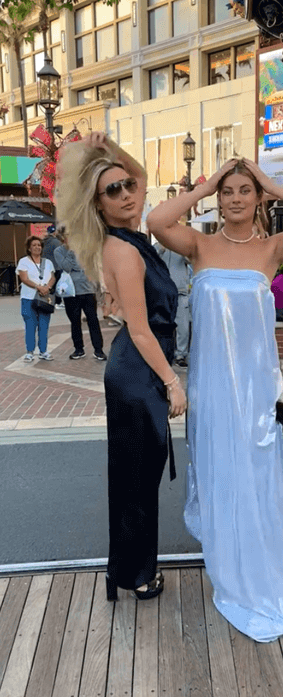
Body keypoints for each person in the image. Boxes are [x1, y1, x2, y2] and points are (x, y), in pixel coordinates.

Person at [147, 158, 283, 642]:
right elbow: (157, 221)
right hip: (213, 390)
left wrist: (270, 184)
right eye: (228, 192)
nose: (236, 198)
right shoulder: (198, 244)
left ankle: (263, 565)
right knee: (224, 472)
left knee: (259, 478)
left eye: (245, 191)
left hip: (260, 390)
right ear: (217, 199)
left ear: (257, 197)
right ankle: (230, 569)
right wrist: (205, 185)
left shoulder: (272, 249)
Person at [58, 131, 186, 602]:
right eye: (112, 191)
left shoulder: (133, 236)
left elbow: (142, 173)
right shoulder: (123, 249)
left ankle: (129, 572)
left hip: (137, 372)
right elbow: (140, 329)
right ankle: (136, 575)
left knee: (137, 479)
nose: (128, 193)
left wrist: (109, 147)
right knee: (136, 483)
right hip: (138, 373)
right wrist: (173, 382)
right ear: (99, 205)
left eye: (126, 184)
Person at [53, 237, 107, 361]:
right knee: (75, 321)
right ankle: (79, 349)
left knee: (93, 320)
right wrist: (72, 252)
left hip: (88, 289)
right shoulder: (59, 251)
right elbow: (66, 267)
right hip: (70, 292)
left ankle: (98, 350)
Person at [17, 235, 55, 362]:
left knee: (44, 325)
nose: (37, 247)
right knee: (30, 324)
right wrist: (38, 287)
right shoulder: (24, 261)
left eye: (39, 245)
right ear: (29, 248)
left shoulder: (48, 262)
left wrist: (47, 287)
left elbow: (53, 277)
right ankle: (30, 352)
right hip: (28, 298)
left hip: (44, 298)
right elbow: (24, 278)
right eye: (34, 245)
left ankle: (43, 351)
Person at [155, 243, 193, 367]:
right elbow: (152, 260)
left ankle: (181, 354)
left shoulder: (181, 248)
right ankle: (164, 353)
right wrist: (161, 247)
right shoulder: (157, 247)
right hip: (163, 292)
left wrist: (180, 248)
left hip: (181, 292)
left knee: (183, 328)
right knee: (163, 326)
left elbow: (190, 259)